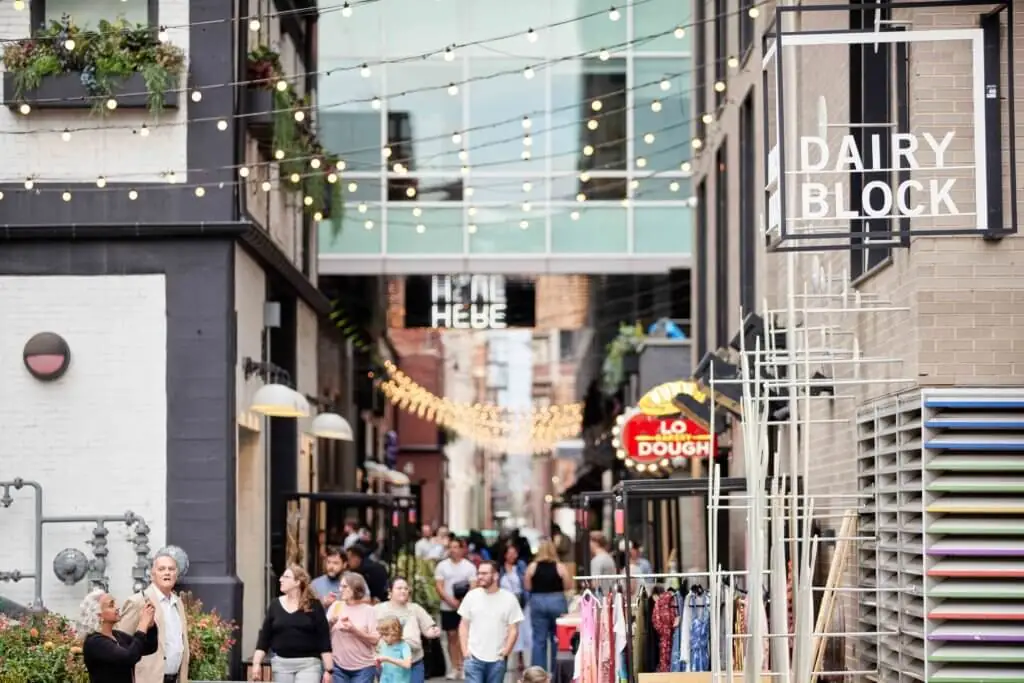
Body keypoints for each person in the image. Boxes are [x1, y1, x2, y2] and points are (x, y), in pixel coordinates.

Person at [117, 548, 190, 683]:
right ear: (152, 574)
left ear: (176, 574)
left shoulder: (178, 603)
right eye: (161, 569)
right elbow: (120, 644)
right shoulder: (138, 601)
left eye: (171, 569)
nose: (167, 572)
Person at [251, 565, 333, 683]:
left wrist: (328, 670)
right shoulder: (275, 605)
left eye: (286, 577)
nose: (281, 579)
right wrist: (256, 663)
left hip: (309, 664)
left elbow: (324, 639)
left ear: (297, 582)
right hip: (282, 664)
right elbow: (264, 638)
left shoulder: (314, 605)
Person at [458, 561, 524, 683]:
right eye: (479, 573)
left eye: (484, 573)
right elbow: (463, 625)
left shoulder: (509, 599)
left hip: (497, 659)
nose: (480, 577)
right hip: (473, 658)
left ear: (496, 575)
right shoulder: (471, 596)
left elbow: (513, 629)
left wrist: (505, 652)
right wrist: (465, 651)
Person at [80, 588, 158, 683]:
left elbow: (149, 647)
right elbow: (129, 657)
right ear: (99, 615)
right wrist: (142, 624)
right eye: (111, 605)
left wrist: (150, 625)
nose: (117, 608)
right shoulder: (94, 642)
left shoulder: (118, 635)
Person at [375, 577, 441, 683]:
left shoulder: (415, 608)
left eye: (406, 588)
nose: (403, 591)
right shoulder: (378, 609)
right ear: (390, 591)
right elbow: (371, 633)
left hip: (414, 661)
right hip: (388, 664)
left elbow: (428, 629)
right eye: (399, 588)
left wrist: (433, 631)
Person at [435, 537, 478, 680]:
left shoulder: (469, 567)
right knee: (451, 636)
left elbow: (473, 586)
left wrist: (464, 602)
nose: (453, 550)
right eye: (451, 547)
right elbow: (439, 587)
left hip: (465, 607)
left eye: (456, 547)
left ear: (462, 549)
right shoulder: (442, 566)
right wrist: (451, 601)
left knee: (464, 636)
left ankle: (464, 665)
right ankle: (454, 667)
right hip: (447, 606)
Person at [526, 540, 571, 672]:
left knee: (539, 639)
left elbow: (527, 586)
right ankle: (556, 671)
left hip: (538, 601)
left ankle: (538, 672)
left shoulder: (532, 567)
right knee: (557, 638)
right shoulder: (560, 566)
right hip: (557, 600)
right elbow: (568, 585)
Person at [327, 572, 380, 683]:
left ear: (356, 589)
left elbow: (375, 640)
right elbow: (323, 635)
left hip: (364, 668)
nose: (340, 589)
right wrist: (331, 623)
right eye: (340, 586)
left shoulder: (369, 611)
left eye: (344, 586)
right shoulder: (336, 606)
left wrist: (354, 630)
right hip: (338, 666)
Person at [498, 544, 530, 673]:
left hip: (519, 601)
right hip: (503, 602)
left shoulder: (521, 566)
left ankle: (520, 659)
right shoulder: (500, 569)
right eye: (509, 553)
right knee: (504, 631)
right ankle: (504, 657)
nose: (512, 556)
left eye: (514, 553)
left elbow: (526, 583)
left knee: (520, 631)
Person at [375, 616, 413, 683]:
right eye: (382, 635)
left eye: (386, 635)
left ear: (395, 634)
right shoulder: (384, 645)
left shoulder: (404, 646)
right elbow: (384, 665)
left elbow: (407, 664)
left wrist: (388, 659)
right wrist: (378, 663)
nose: (383, 638)